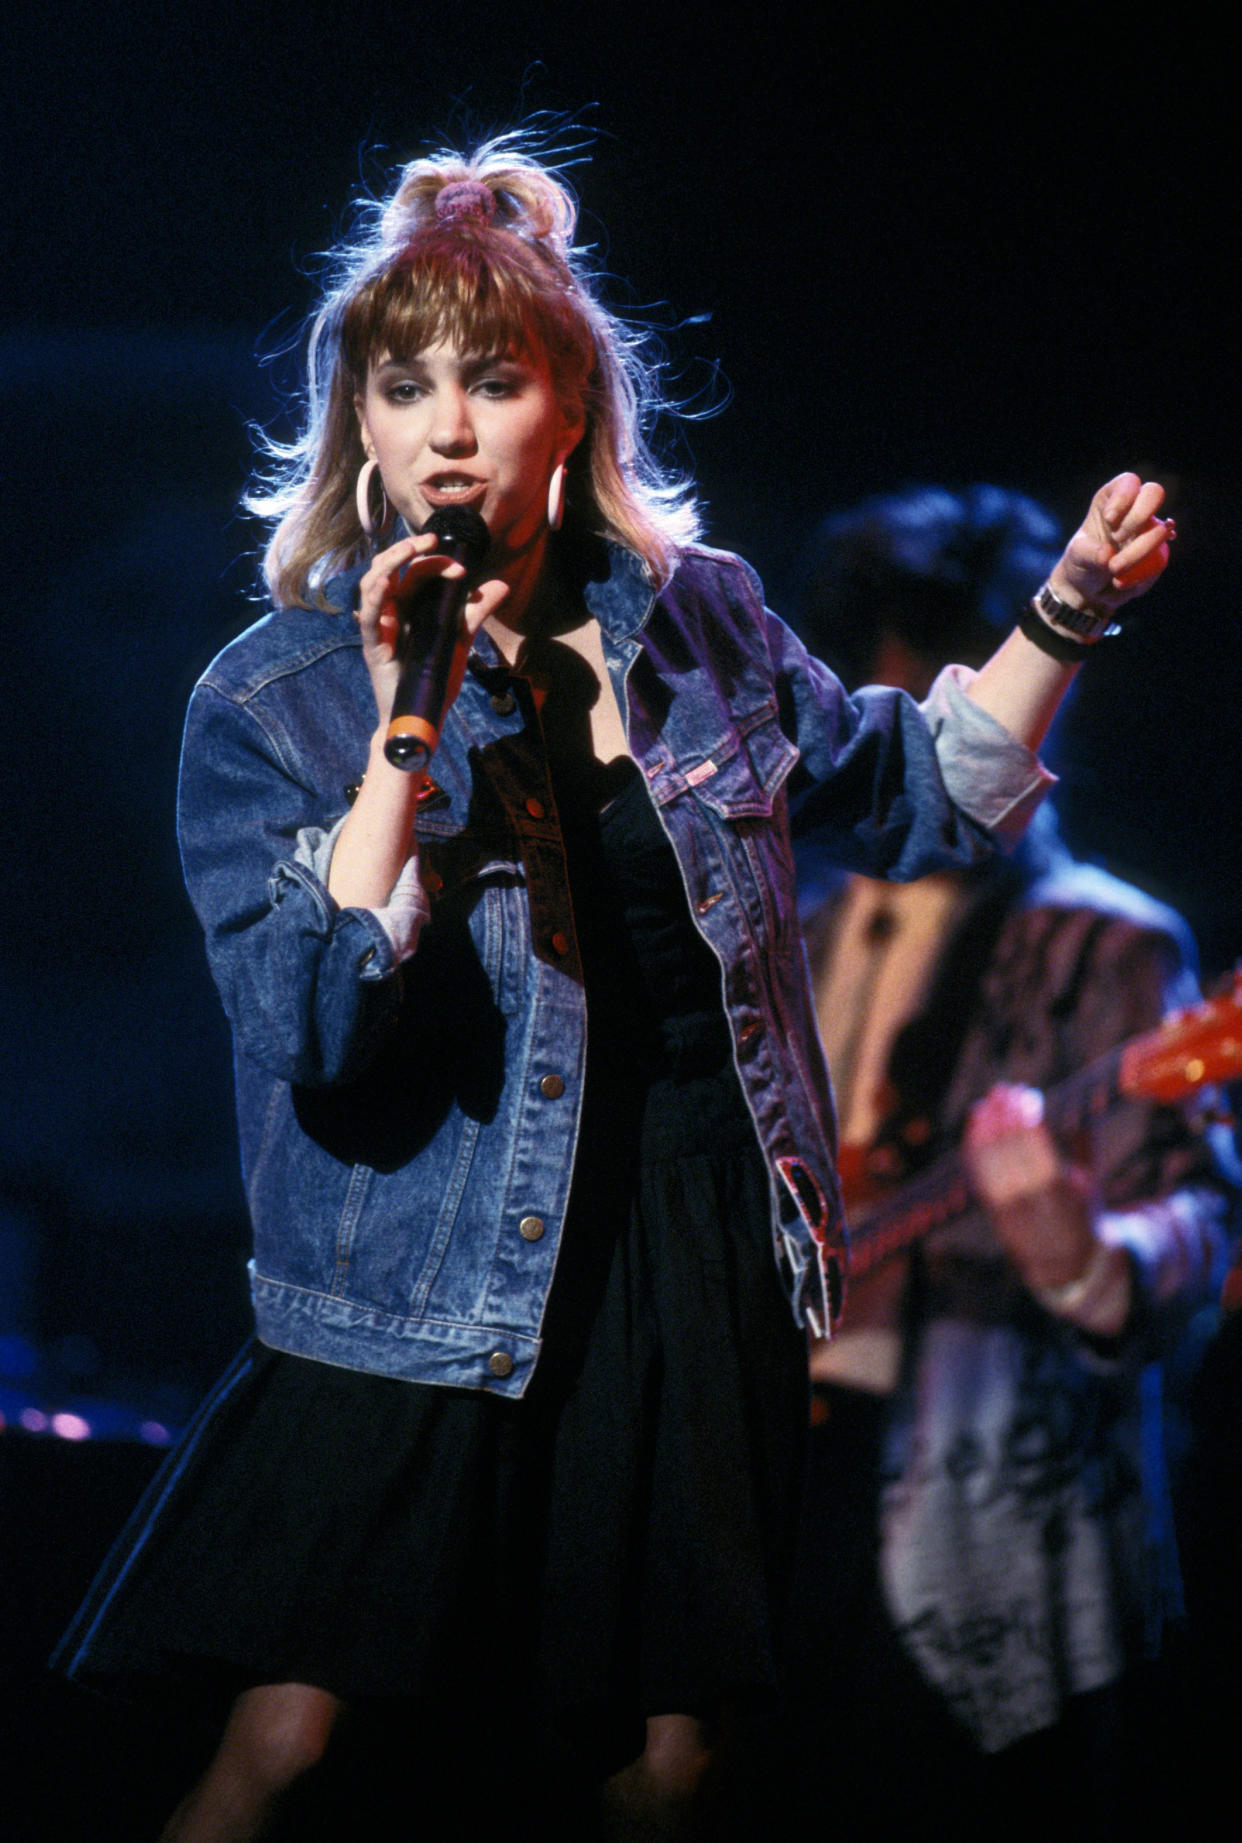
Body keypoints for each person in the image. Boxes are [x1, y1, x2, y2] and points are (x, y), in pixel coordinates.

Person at [53, 144, 1174, 1842]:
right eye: (403, 385)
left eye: (491, 382)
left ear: (568, 408)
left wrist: (1069, 609)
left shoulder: (699, 624)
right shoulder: (270, 700)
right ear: (356, 418)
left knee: (677, 1761)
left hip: (691, 1243)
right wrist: (401, 727)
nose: (444, 428)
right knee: (296, 1743)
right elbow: (318, 1023)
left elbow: (915, 793)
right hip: (418, 1255)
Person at [785, 485, 1232, 1841]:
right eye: (899, 691)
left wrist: (1084, 1256)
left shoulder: (1108, 942)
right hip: (761, 1450)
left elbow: (1196, 1224)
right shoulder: (785, 918)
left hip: (974, 1471)